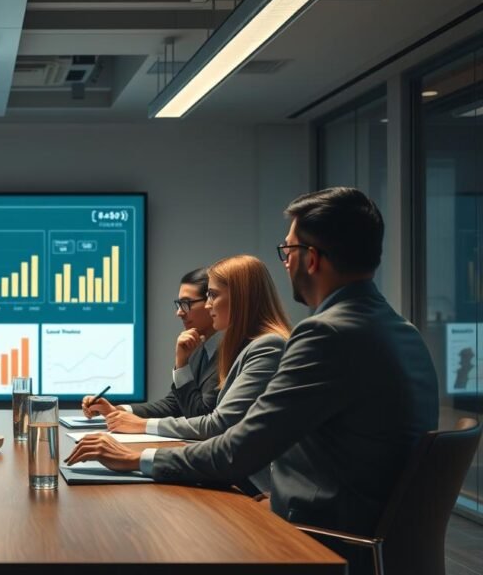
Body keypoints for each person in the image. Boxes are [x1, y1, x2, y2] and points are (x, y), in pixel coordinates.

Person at [66, 188, 438, 573]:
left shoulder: (327, 335)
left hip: (324, 544)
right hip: (374, 543)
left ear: (311, 259)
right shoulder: (401, 330)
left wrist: (136, 458)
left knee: (159, 540)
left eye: (287, 251)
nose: (285, 263)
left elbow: (238, 450)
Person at [102, 255, 291, 492]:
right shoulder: (237, 345)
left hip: (255, 489)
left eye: (213, 295)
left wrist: (140, 436)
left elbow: (218, 424)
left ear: (240, 297)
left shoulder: (267, 346)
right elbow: (180, 404)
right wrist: (125, 414)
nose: (209, 305)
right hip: (237, 478)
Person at [82, 268, 221, 420]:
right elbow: (175, 404)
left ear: (211, 302)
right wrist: (116, 410)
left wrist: (181, 365)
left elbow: (201, 417)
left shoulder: (232, 353)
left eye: (186, 303)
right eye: (179, 304)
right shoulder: (198, 348)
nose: (179, 312)